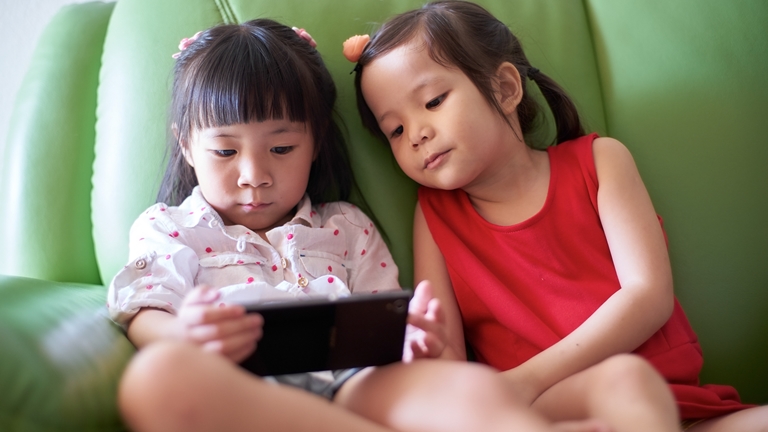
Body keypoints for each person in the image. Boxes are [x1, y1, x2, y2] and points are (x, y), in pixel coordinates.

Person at [108, 18, 612, 432]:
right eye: (224, 151)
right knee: (156, 378)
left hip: (356, 388)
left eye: (282, 149)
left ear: (316, 142)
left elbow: (387, 329)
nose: (254, 176)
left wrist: (418, 341)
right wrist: (187, 337)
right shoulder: (171, 227)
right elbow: (143, 310)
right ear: (186, 146)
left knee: (469, 388)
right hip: (243, 391)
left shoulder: (346, 226)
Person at [350, 1, 768, 431]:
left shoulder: (600, 161)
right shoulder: (435, 216)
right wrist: (427, 350)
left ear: (506, 88)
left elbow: (648, 296)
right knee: (627, 382)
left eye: (433, 101)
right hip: (542, 408)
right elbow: (450, 357)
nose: (417, 134)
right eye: (395, 130)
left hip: (681, 403)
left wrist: (524, 379)